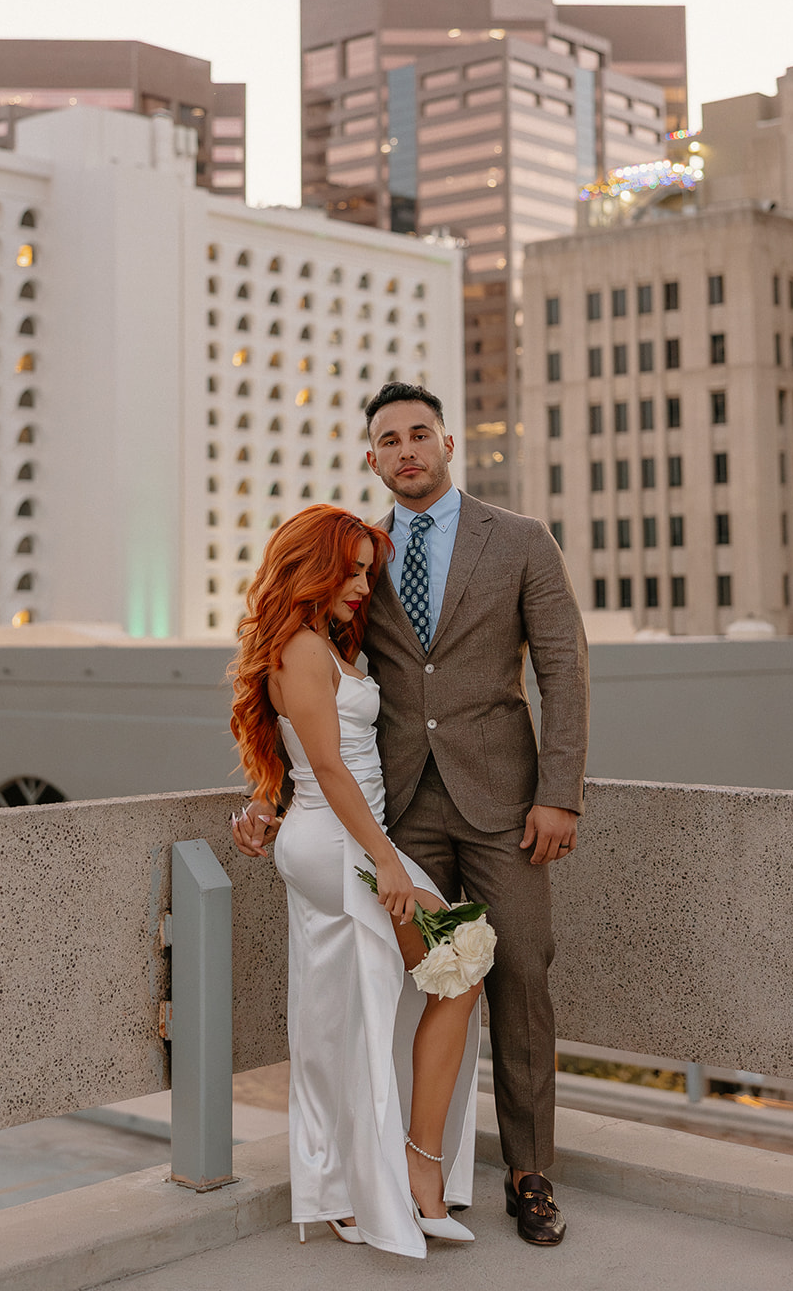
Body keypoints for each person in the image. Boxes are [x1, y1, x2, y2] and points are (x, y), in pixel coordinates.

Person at [236, 382, 589, 1246]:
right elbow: (312, 697)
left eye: (418, 434)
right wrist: (273, 798)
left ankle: (528, 1172)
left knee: (517, 976)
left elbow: (563, 670)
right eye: (387, 440)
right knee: (404, 986)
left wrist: (558, 792)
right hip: (393, 810)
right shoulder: (361, 554)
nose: (405, 451)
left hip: (506, 803)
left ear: (448, 443)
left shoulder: (520, 541)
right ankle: (395, 1166)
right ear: (371, 458)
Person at [230, 504, 483, 1258]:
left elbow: (300, 756)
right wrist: (388, 862)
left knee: (383, 1001)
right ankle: (384, 1179)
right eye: (350, 569)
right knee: (450, 963)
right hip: (340, 844)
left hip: (347, 838)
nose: (360, 585)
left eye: (368, 572)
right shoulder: (299, 650)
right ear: (313, 566)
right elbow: (330, 768)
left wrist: (261, 799)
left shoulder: (322, 645)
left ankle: (391, 1173)